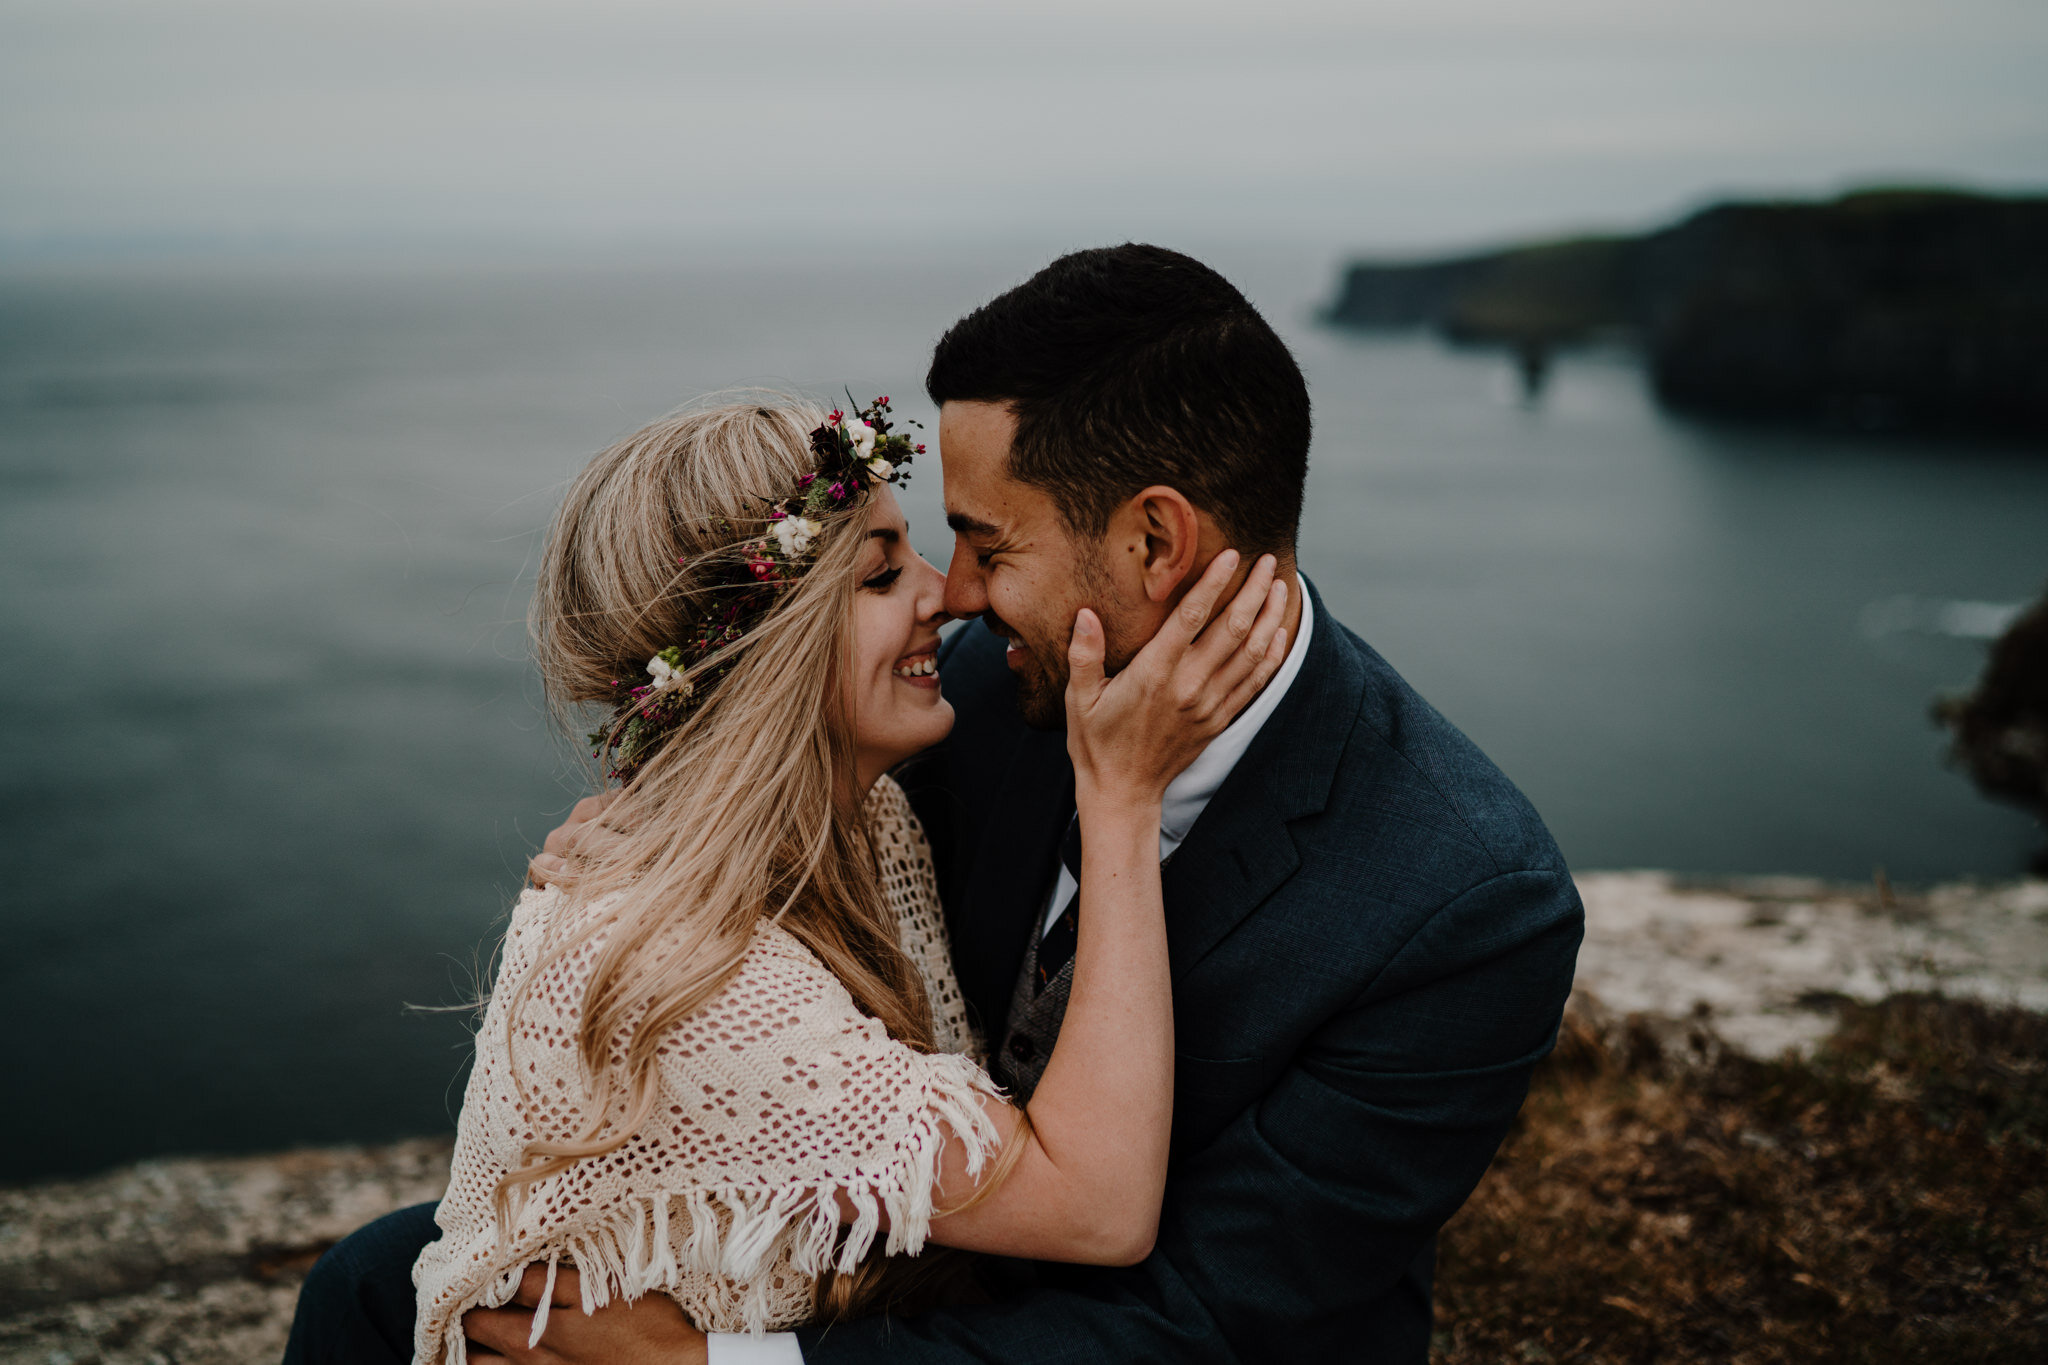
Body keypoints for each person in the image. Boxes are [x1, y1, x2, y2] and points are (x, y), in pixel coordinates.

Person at [294, 244, 1585, 1364]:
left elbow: (1213, 1323)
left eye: (988, 542)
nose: (954, 594)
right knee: (384, 1286)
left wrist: (727, 1359)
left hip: (1149, 1333)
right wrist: (650, 830)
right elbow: (767, 757)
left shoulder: (1464, 898)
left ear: (1154, 541)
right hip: (908, 1242)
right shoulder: (975, 687)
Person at [284, 396, 1288, 1364]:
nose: (947, 594)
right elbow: (1094, 1208)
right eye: (881, 576)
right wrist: (1120, 798)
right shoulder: (691, 975)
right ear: (767, 649)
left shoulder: (866, 823)